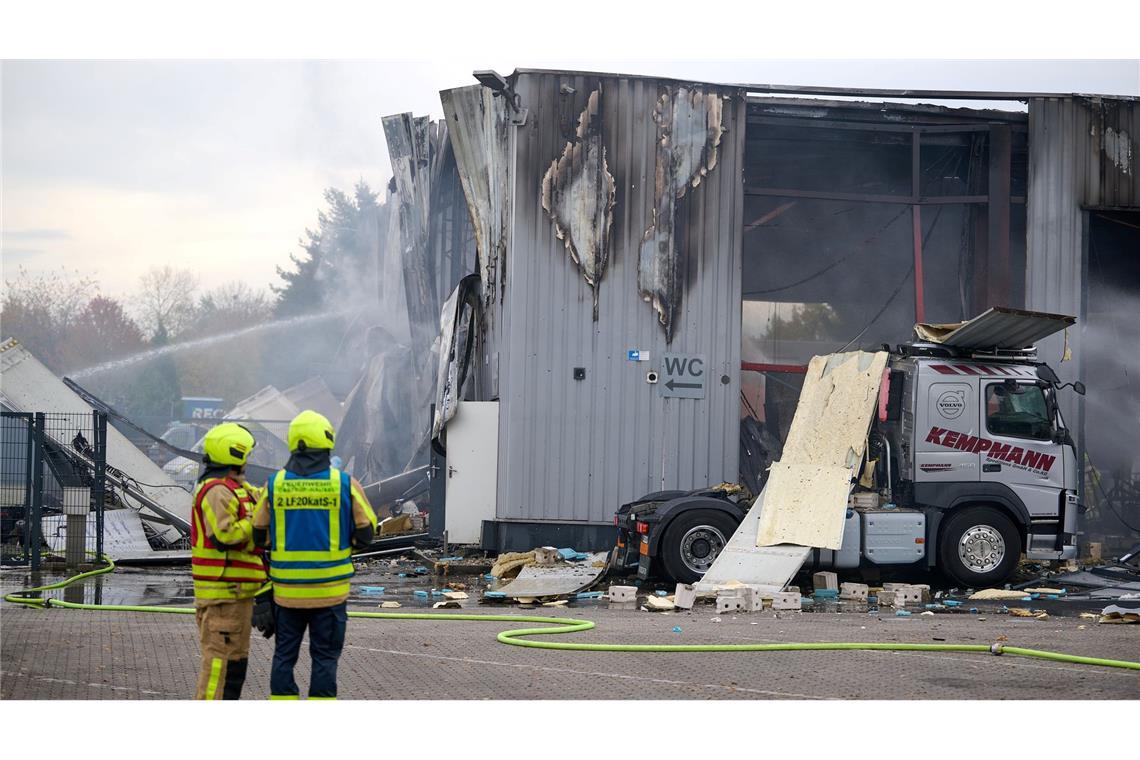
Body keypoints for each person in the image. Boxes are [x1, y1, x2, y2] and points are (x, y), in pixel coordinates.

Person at [252, 410, 377, 700]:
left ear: (292, 442)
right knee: (325, 659)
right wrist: (345, 548)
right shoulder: (344, 483)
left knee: (284, 656)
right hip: (330, 594)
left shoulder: (275, 484)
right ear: (327, 440)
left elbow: (258, 535)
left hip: (286, 594)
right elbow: (367, 531)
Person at [190, 422, 267, 700]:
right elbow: (224, 534)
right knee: (219, 668)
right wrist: (257, 525)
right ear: (235, 454)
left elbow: (264, 497)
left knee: (235, 666)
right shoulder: (216, 491)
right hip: (221, 597)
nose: (248, 461)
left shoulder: (237, 488)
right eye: (246, 455)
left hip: (238, 595)